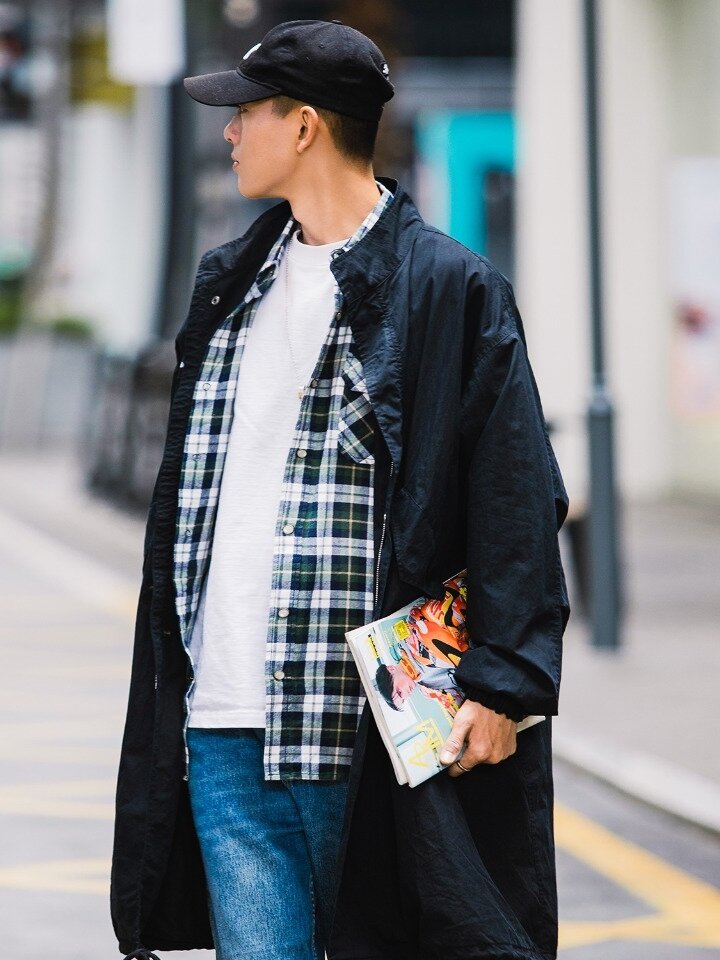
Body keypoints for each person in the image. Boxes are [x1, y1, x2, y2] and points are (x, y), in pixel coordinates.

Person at [110, 18, 571, 960]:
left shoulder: (447, 287)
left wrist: (505, 682)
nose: (229, 131)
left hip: (369, 733)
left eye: (245, 112)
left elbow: (516, 494)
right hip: (225, 719)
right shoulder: (229, 285)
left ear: (304, 124)